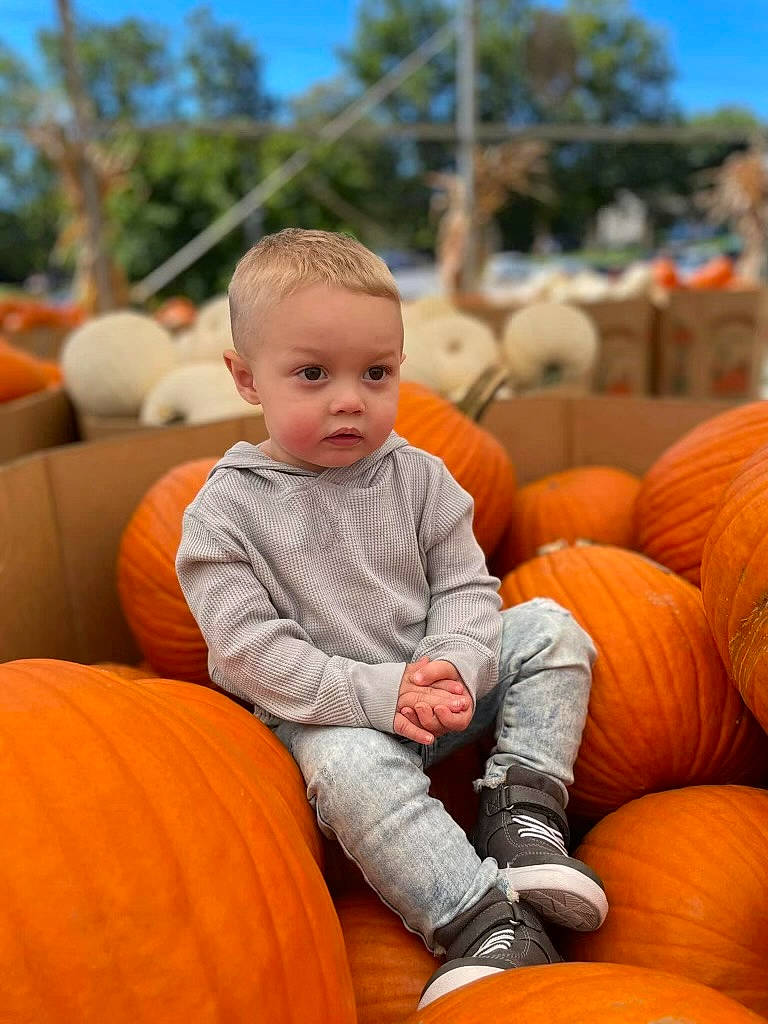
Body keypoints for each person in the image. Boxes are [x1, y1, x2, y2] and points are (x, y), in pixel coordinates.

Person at [175, 228, 607, 1009]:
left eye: (376, 373)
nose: (350, 398)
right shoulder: (225, 515)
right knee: (348, 767)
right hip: (332, 716)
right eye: (312, 374)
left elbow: (468, 587)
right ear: (245, 378)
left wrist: (455, 660)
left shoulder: (423, 478)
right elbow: (249, 654)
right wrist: (380, 695)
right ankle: (483, 920)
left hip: (440, 687)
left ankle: (523, 809)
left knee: (549, 625)